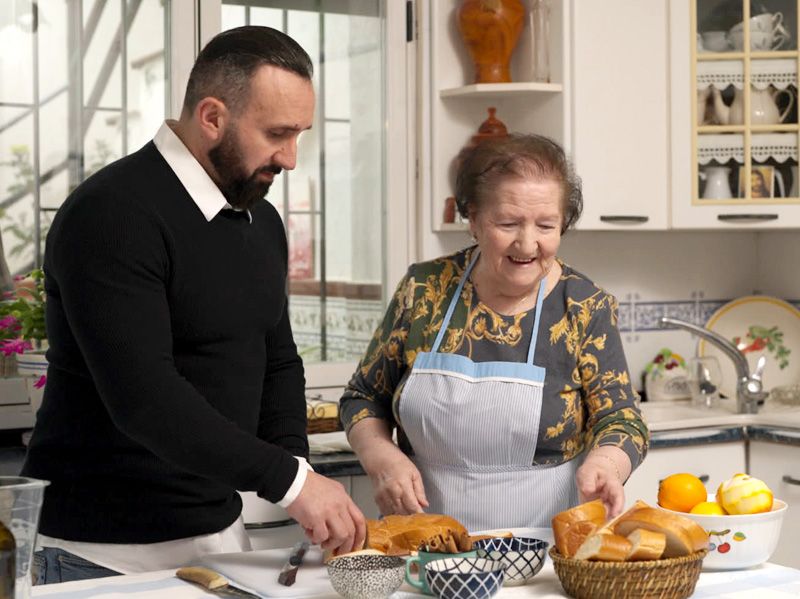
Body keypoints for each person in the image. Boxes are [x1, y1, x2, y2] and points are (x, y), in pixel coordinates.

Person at [21, 26, 365, 583]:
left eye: (300, 134)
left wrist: (295, 466)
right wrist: (293, 483)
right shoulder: (111, 215)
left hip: (220, 540)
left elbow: (276, 360)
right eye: (277, 133)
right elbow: (144, 399)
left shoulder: (260, 218)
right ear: (212, 117)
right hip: (102, 554)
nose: (292, 158)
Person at [340, 134, 649, 531]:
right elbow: (362, 397)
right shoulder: (424, 290)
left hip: (546, 547)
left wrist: (606, 464)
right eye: (507, 223)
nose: (527, 243)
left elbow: (623, 419)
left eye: (546, 225)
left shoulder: (584, 306)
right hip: (422, 541)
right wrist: (380, 456)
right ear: (472, 219)